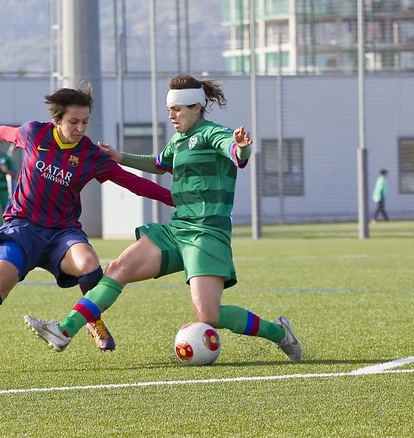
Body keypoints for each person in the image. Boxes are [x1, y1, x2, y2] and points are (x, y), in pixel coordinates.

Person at [25, 74, 302, 362]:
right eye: (169, 109)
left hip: (206, 234)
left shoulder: (212, 133)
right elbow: (158, 163)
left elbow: (235, 152)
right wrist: (120, 156)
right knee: (117, 268)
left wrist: (241, 147)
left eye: (177, 110)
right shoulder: (179, 140)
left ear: (196, 106)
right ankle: (65, 329)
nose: (171, 115)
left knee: (209, 315)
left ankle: (280, 333)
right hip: (178, 228)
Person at [0, 85, 174, 375]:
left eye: (85, 122)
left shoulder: (91, 155)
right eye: (73, 122)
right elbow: (8, 133)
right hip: (22, 228)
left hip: (62, 233)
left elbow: (130, 182)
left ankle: (92, 320)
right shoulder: (36, 133)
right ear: (57, 119)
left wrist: (174, 198)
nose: (80, 128)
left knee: (89, 263)